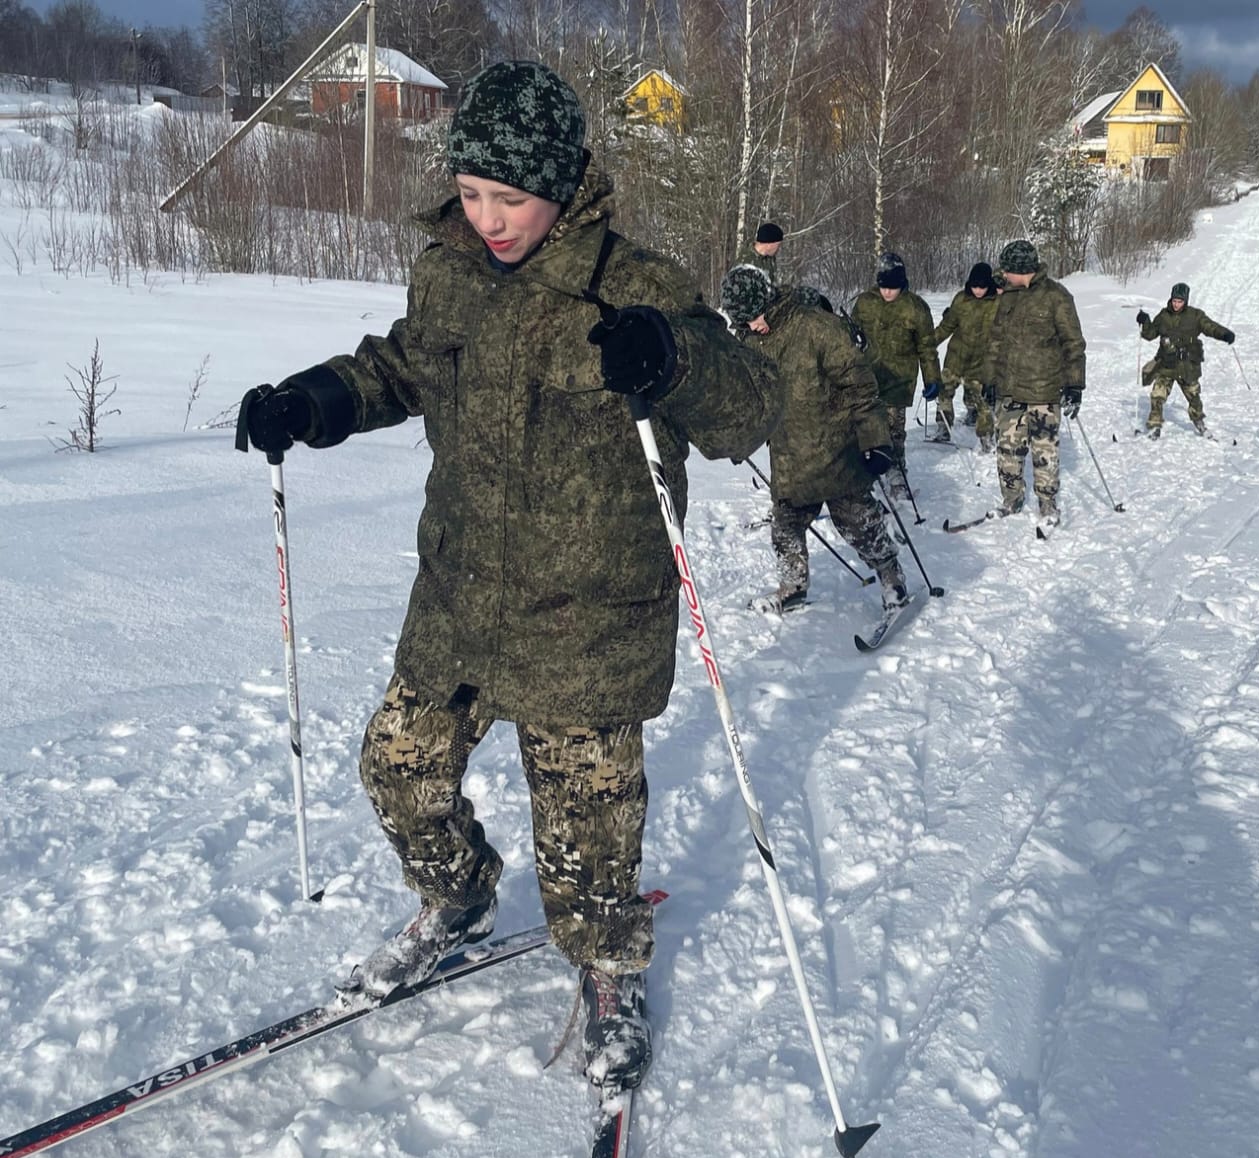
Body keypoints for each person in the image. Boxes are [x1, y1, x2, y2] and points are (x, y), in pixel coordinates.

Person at [235, 61, 780, 1095]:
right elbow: (405, 363)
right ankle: (460, 898)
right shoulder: (446, 267)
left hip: (586, 615)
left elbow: (748, 408)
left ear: (566, 184)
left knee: (586, 835)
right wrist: (317, 400)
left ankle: (610, 970)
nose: (487, 217)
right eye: (474, 193)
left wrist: (670, 363)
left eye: (510, 198)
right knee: (396, 770)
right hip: (460, 597)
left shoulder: (638, 287)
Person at [720, 267, 909, 615]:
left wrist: (875, 439)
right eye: (743, 322)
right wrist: (736, 435)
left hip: (837, 449)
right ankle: (792, 587)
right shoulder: (748, 340)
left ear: (768, 300)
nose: (753, 326)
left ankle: (892, 581)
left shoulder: (816, 327)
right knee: (785, 527)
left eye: (755, 317)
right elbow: (746, 396)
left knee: (858, 524)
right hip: (789, 453)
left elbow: (860, 384)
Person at [982, 239, 1085, 527]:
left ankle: (1048, 505)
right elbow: (995, 342)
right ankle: (1011, 499)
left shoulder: (1057, 297)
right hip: (1009, 390)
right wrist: (989, 380)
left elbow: (1073, 344)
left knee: (1045, 452)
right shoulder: (1007, 297)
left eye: (1007, 270)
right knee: (1007, 451)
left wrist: (1075, 385)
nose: (1003, 275)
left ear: (1021, 269)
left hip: (1044, 390)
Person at [849, 251, 941, 494]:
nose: (887, 292)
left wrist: (932, 378)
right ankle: (860, 475)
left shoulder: (915, 308)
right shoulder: (865, 302)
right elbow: (848, 338)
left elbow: (927, 347)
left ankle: (897, 475)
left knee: (893, 432)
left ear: (903, 284)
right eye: (883, 287)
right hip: (866, 378)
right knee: (861, 428)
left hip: (899, 380)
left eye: (893, 288)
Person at [1136, 282, 1235, 437]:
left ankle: (1199, 422)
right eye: (1174, 301)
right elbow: (1150, 335)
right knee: (1157, 395)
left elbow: (1210, 327)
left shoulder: (1195, 316)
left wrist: (1224, 334)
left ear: (1186, 301)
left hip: (1187, 366)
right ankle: (1155, 425)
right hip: (1166, 364)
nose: (1176, 304)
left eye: (1180, 301)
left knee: (1194, 396)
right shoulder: (1163, 316)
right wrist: (1145, 321)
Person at [933, 261, 1001, 450]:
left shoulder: (998, 303)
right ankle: (943, 426)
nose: (978, 290)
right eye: (974, 286)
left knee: (983, 401)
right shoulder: (961, 299)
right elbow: (947, 326)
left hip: (981, 363)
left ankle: (986, 437)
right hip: (956, 358)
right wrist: (928, 343)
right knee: (944, 391)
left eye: (982, 287)